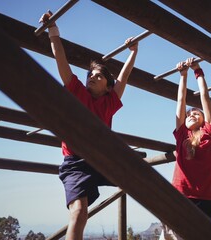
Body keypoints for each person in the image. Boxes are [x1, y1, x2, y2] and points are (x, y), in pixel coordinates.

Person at [39, 10, 138, 240]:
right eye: (90, 74)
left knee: (136, 177)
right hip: (75, 163)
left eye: (98, 76)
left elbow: (123, 78)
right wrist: (53, 31)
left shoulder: (109, 102)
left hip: (102, 160)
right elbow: (61, 61)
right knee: (79, 212)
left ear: (107, 87)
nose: (92, 77)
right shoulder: (77, 92)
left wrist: (133, 53)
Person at [160, 58, 211, 240]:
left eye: (196, 113)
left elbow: (205, 97)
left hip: (206, 198)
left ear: (204, 120)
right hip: (181, 195)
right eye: (189, 114)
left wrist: (198, 71)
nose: (191, 114)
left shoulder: (209, 133)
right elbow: (181, 100)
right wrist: (183, 75)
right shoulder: (182, 135)